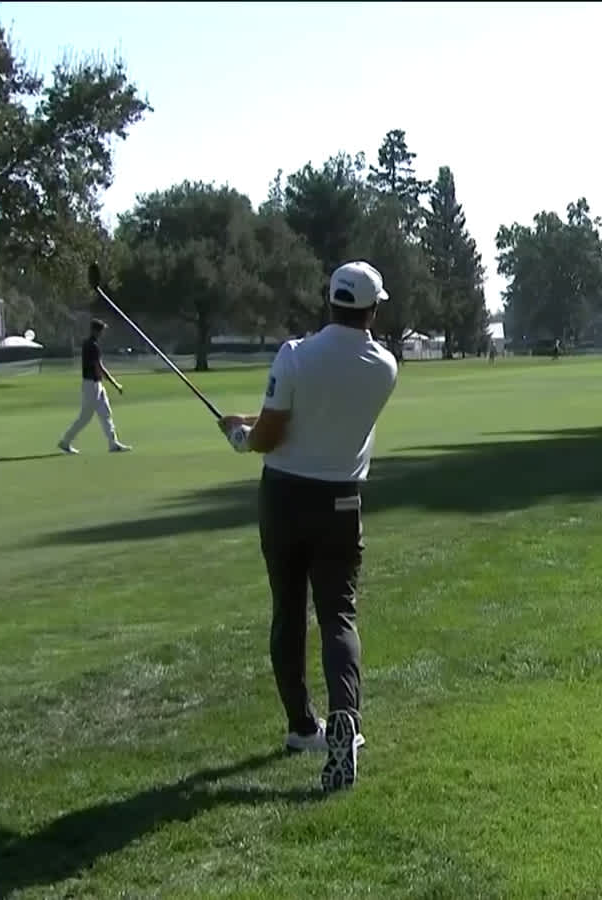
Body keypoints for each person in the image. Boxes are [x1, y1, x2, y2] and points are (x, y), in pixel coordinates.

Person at [218, 260, 399, 793]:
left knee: (289, 612)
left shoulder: (295, 355)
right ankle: (347, 717)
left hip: (283, 497)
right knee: (338, 615)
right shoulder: (384, 365)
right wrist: (257, 428)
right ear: (370, 308)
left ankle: (302, 727)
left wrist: (238, 434)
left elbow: (271, 436)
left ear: (331, 302)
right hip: (341, 500)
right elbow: (317, 422)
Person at [58, 318, 131, 454]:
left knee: (106, 413)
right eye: (101, 330)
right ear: (95, 330)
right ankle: (65, 442)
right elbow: (99, 367)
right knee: (85, 417)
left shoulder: (90, 344)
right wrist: (115, 384)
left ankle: (113, 444)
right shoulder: (92, 346)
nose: (102, 333)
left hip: (96, 384)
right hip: (91, 385)